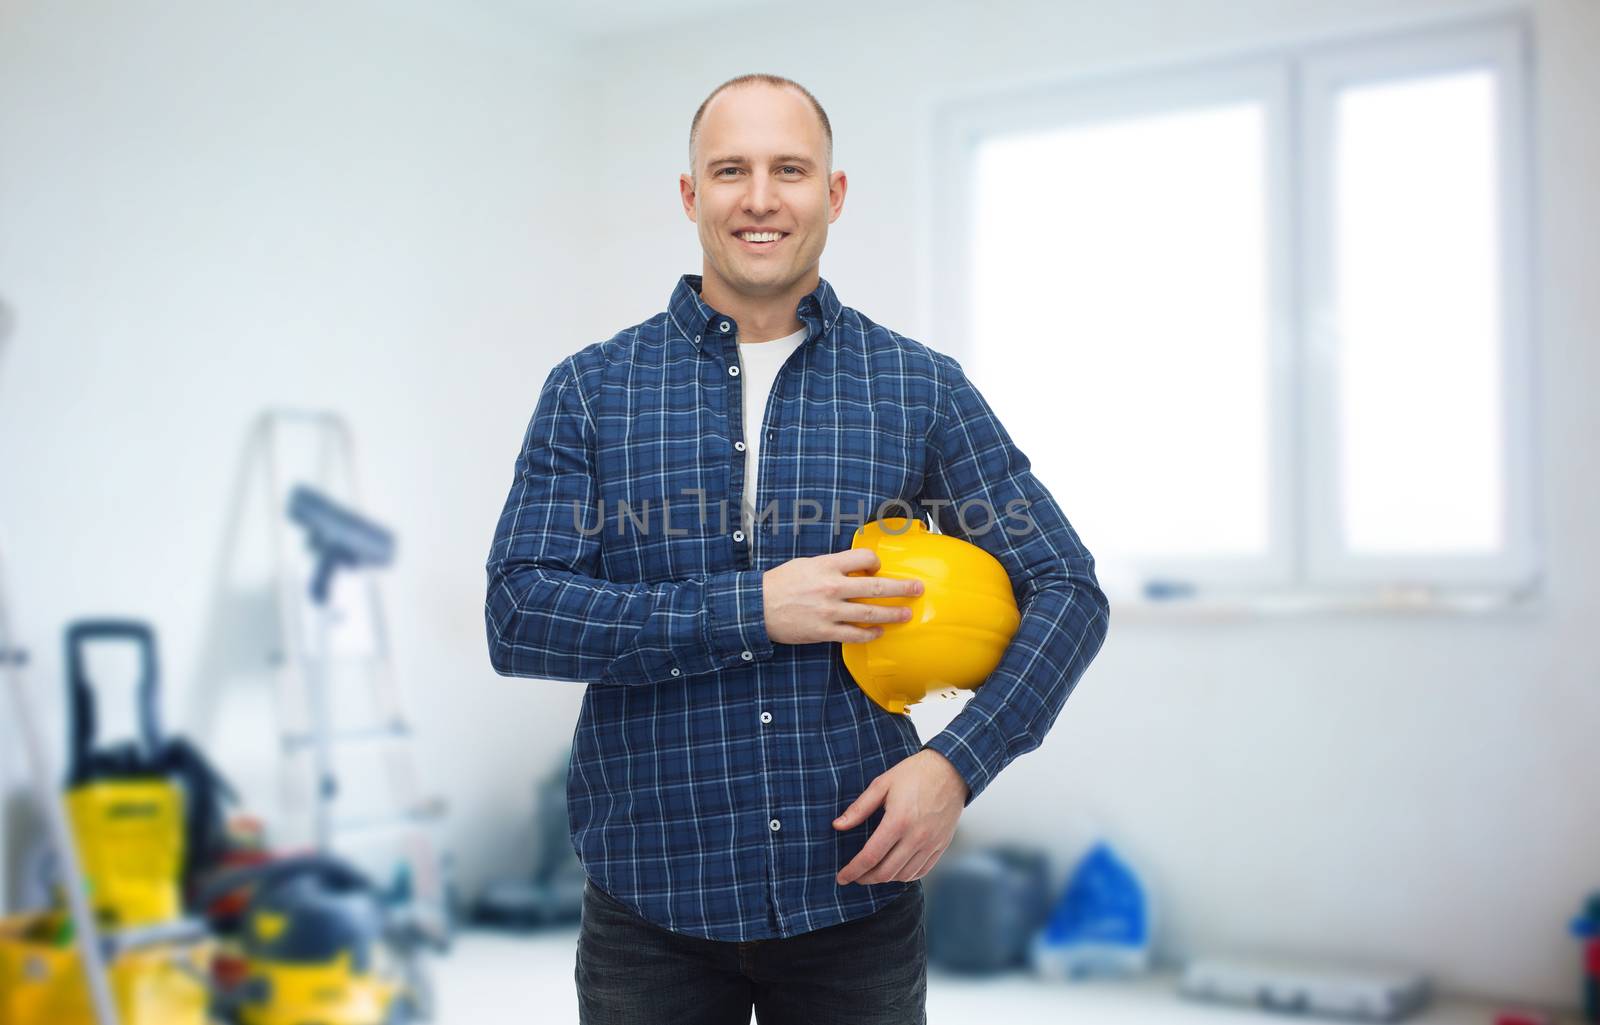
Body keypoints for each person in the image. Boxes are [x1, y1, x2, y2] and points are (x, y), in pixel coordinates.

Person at [484, 72, 1110, 1025]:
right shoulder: (590, 390)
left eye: (790, 169)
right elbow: (519, 612)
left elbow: (1066, 584)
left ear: (835, 192)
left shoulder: (918, 388)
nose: (762, 198)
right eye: (730, 170)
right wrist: (752, 607)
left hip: (852, 901)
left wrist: (957, 765)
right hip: (648, 908)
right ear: (692, 195)